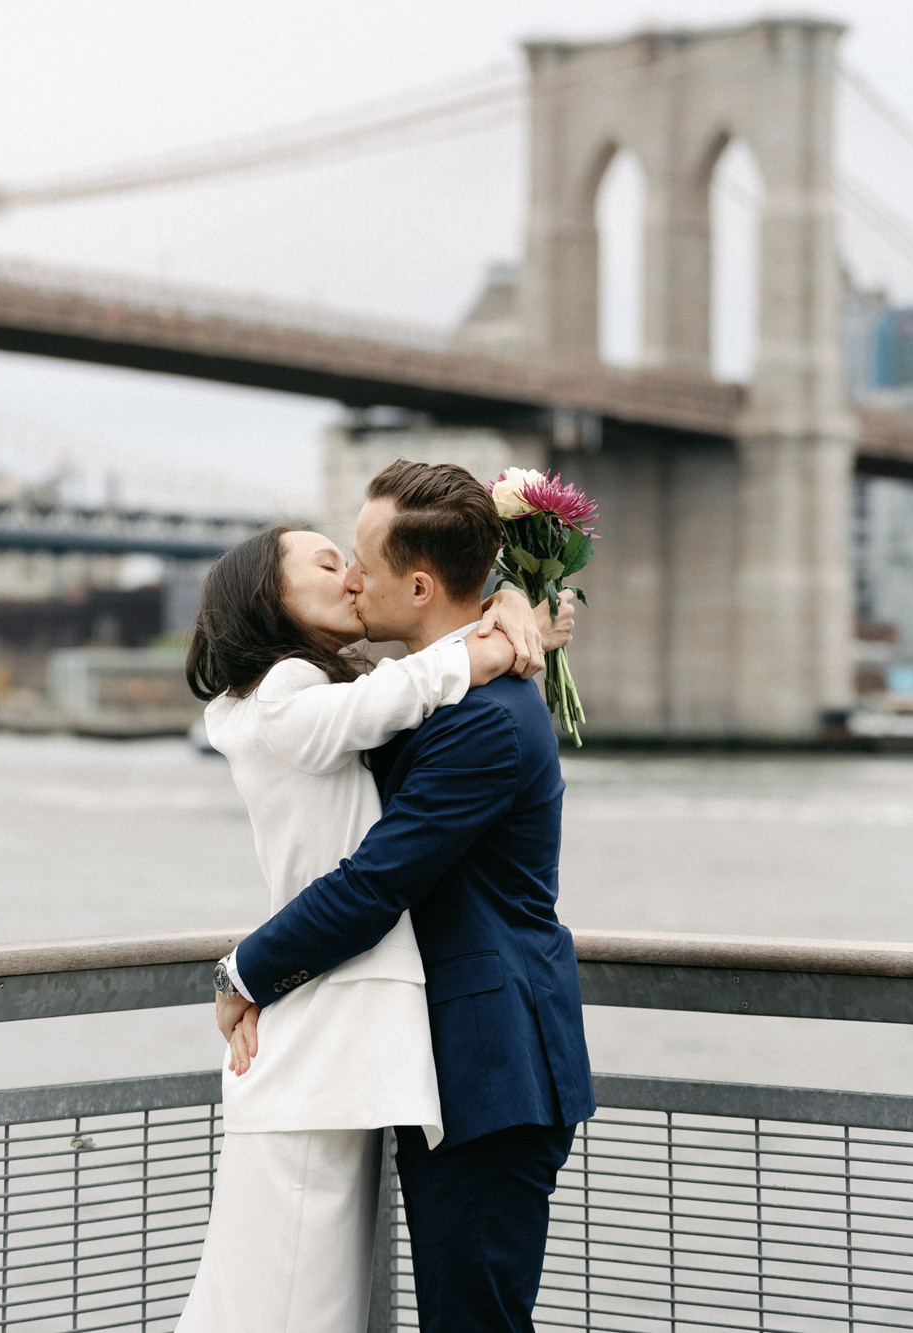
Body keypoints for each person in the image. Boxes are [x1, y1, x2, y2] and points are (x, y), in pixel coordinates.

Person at [215, 460, 594, 1333]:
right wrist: (504, 610)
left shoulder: (486, 723)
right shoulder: (437, 697)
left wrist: (244, 972)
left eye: (362, 561)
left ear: (418, 585)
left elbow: (375, 880)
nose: (354, 578)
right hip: (454, 1064)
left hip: (496, 1073)